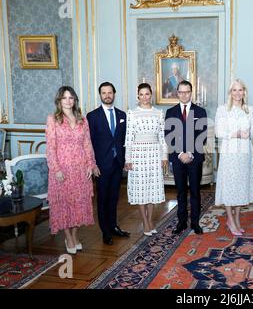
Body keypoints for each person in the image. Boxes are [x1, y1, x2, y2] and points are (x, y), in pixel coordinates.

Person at [46, 86, 97, 254]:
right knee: (64, 204)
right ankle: (68, 237)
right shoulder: (53, 119)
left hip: (80, 169)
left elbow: (87, 144)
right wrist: (56, 169)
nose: (68, 101)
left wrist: (91, 164)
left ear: (75, 100)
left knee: (79, 204)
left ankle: (75, 236)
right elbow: (51, 148)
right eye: (64, 98)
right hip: (62, 170)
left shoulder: (82, 119)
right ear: (59, 101)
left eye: (71, 98)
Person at [87, 82, 130, 245]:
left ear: (114, 94)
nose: (107, 95)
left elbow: (124, 139)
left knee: (114, 198)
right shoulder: (92, 116)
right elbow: (88, 143)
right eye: (104, 93)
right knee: (103, 198)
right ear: (100, 95)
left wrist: (125, 160)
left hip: (117, 163)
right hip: (101, 165)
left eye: (110, 92)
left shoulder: (122, 115)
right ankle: (105, 231)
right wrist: (93, 164)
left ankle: (113, 227)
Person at [124, 83, 168, 236]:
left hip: (155, 153)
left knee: (152, 188)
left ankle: (150, 220)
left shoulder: (158, 113)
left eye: (147, 94)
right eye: (141, 94)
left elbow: (162, 137)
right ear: (138, 96)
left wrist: (164, 156)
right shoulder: (132, 113)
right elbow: (128, 137)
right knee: (140, 188)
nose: (144, 97)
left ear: (151, 95)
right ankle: (145, 221)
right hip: (137, 155)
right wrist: (127, 158)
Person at [215, 79, 253, 236]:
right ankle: (230, 219)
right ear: (230, 92)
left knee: (241, 186)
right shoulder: (222, 110)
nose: (237, 93)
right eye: (234, 90)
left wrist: (248, 133)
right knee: (229, 185)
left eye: (240, 90)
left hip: (244, 154)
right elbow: (219, 132)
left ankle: (237, 218)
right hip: (229, 152)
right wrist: (236, 133)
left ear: (244, 92)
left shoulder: (250, 110)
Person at [164, 80, 207, 235]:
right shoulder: (171, 112)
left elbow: (202, 136)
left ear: (191, 92)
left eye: (187, 92)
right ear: (177, 93)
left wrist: (190, 153)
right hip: (177, 159)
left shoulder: (201, 111)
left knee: (195, 191)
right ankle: (181, 222)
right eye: (181, 92)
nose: (184, 94)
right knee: (180, 191)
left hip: (195, 158)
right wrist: (180, 153)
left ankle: (195, 223)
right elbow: (168, 136)